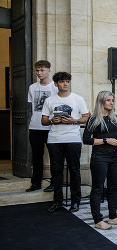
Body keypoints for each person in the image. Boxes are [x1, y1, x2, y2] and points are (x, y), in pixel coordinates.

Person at [42, 72, 90, 213]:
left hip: (72, 138)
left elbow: (86, 117)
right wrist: (52, 120)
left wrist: (73, 120)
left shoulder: (77, 99)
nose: (65, 84)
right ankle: (58, 201)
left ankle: (75, 201)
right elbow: (43, 120)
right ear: (56, 84)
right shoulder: (49, 100)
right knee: (56, 172)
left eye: (67, 81)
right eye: (62, 81)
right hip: (54, 139)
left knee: (74, 170)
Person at [83, 91, 117, 230]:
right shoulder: (93, 119)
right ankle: (98, 220)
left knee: (113, 187)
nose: (111, 103)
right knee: (97, 188)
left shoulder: (115, 118)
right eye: (108, 100)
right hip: (100, 156)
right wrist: (106, 140)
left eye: (112, 100)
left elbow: (116, 134)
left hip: (115, 156)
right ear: (101, 101)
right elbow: (86, 139)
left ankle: (113, 216)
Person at [27, 60, 58, 192]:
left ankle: (54, 182)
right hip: (35, 126)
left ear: (49, 71)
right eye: (37, 71)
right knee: (36, 156)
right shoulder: (32, 87)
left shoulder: (55, 87)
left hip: (50, 126)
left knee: (54, 156)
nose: (39, 73)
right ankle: (36, 183)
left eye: (42, 70)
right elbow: (32, 107)